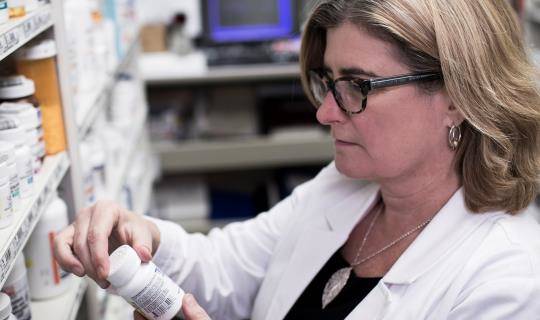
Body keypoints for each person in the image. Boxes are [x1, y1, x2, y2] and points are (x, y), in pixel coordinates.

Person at [54, 0, 540, 319]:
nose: (326, 112)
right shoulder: (349, 186)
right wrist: (144, 236)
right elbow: (229, 267)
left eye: (357, 86)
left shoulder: (508, 282)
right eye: (329, 82)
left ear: (457, 94)